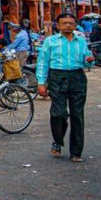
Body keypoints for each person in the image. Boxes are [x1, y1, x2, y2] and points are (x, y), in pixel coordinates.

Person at [36, 13, 94, 162]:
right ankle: (57, 139)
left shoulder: (81, 41)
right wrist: (41, 82)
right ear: (58, 25)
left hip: (77, 77)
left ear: (75, 25)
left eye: (70, 23)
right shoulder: (50, 41)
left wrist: (89, 60)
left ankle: (76, 152)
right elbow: (43, 62)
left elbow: (87, 61)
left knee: (77, 115)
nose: (67, 25)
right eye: (64, 23)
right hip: (57, 77)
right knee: (58, 113)